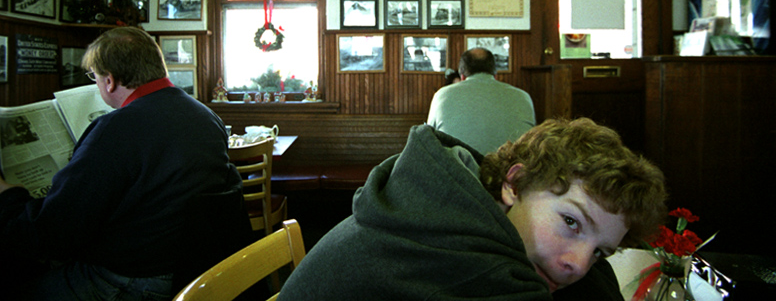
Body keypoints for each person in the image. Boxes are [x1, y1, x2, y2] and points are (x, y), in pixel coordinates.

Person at [278, 117, 667, 301]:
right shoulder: (475, 268)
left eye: (601, 252)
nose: (579, 265)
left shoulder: (449, 197)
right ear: (515, 184)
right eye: (570, 222)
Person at [0, 27, 244, 300]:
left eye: (95, 76)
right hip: (193, 265)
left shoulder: (114, 129)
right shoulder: (205, 115)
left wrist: (8, 193)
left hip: (133, 280)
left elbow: (49, 234)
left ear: (109, 81)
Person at [427, 47, 536, 154]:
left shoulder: (442, 95)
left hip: (459, 169)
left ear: (462, 76)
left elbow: (429, 139)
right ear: (495, 75)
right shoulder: (523, 97)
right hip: (511, 170)